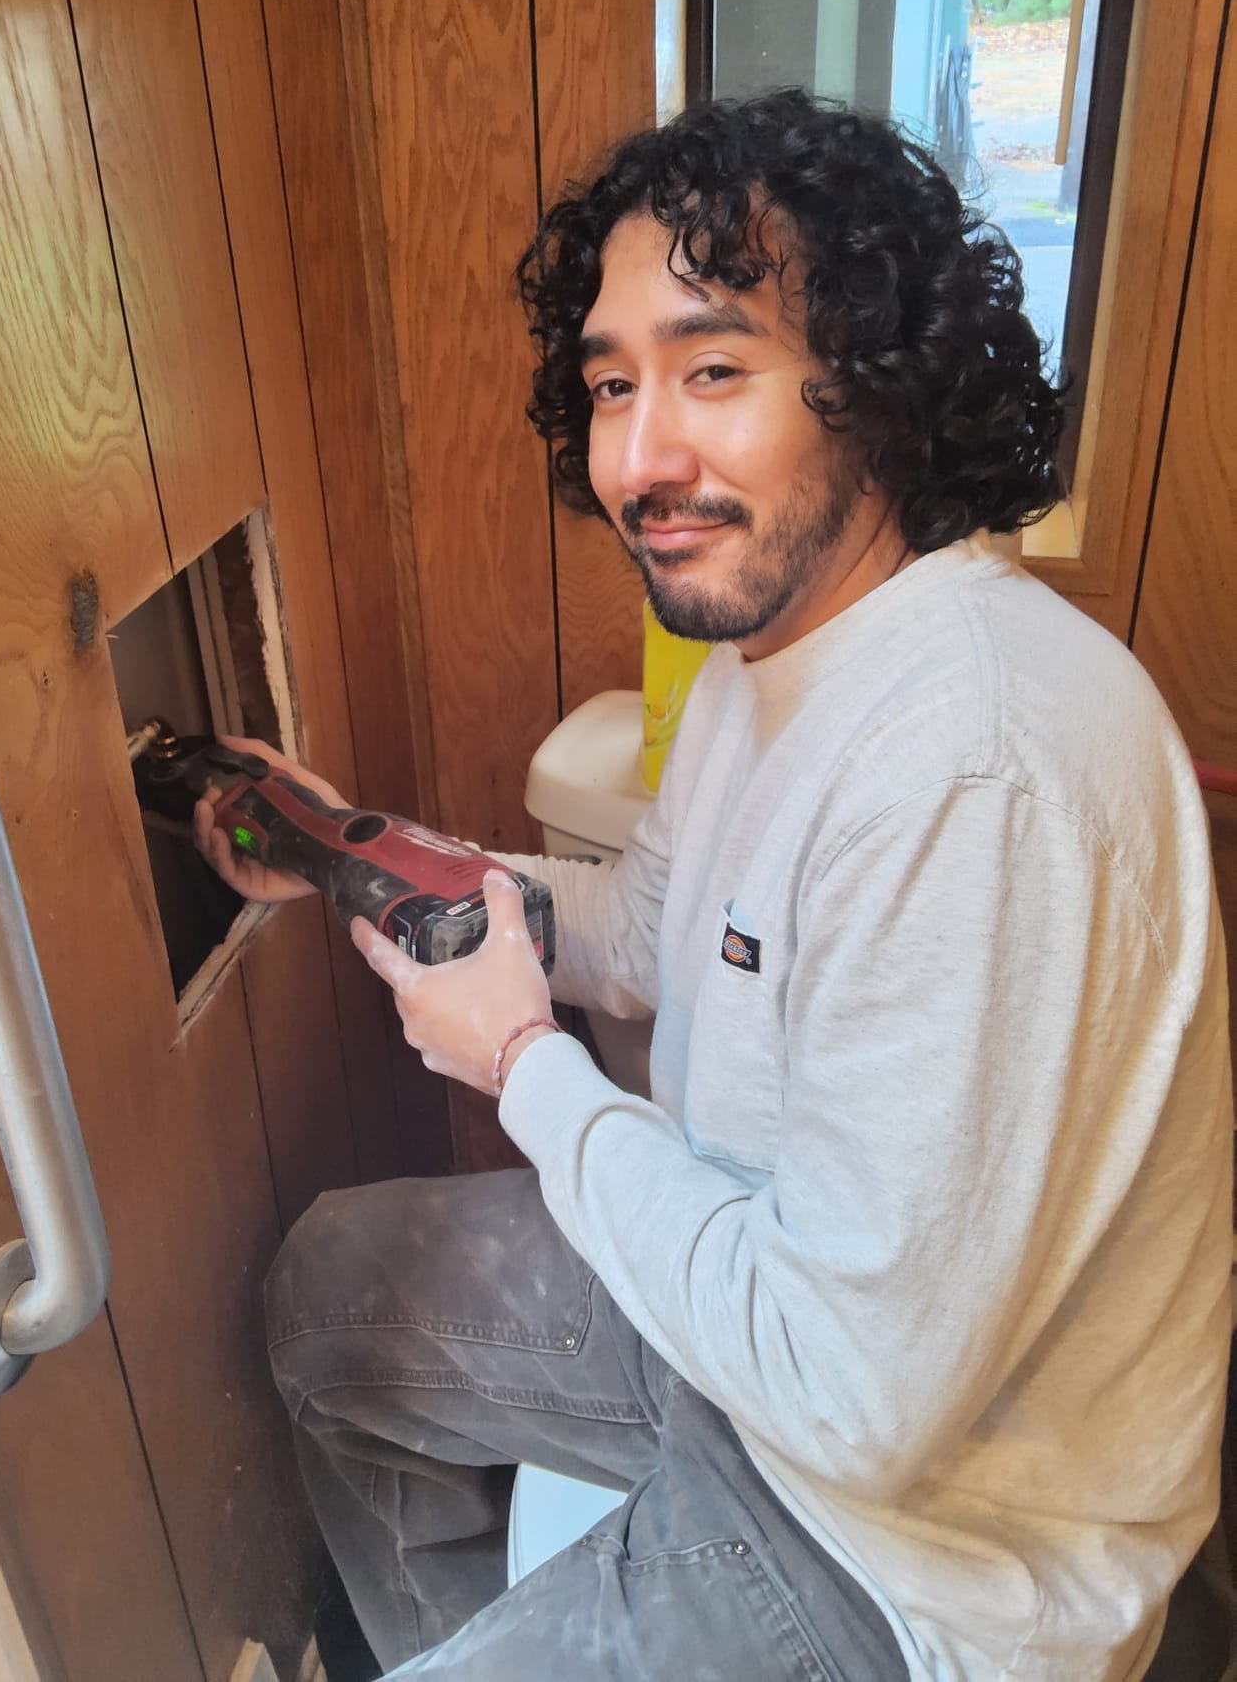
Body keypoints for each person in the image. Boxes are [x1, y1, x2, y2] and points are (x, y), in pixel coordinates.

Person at [197, 91, 1231, 1680]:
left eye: (714, 370)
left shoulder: (978, 761)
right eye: (613, 384)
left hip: (919, 1558)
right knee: (333, 1293)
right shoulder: (777, 653)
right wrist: (365, 858)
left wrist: (523, 1067)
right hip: (753, 1329)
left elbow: (852, 1399)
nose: (639, 456)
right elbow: (652, 927)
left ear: (873, 389)